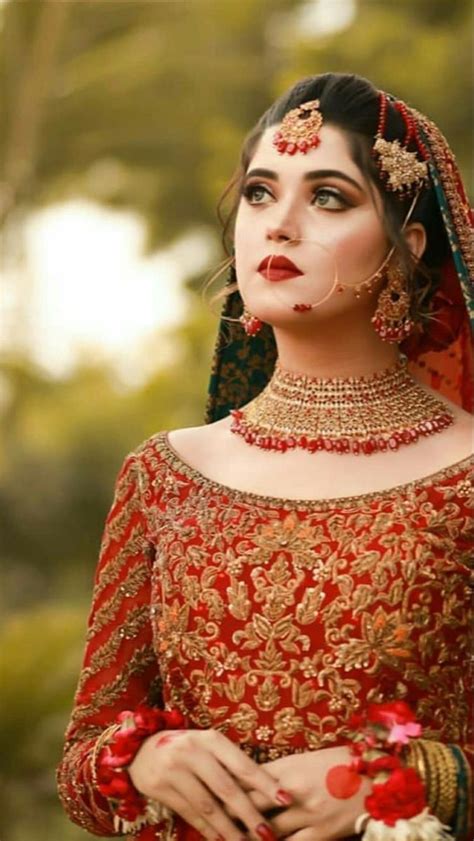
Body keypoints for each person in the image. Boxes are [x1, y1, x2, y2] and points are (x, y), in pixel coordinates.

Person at [57, 73, 473, 841]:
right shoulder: (163, 476)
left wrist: (419, 778)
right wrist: (147, 756)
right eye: (258, 192)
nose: (278, 225)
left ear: (407, 246)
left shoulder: (466, 476)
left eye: (328, 197)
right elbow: (85, 763)